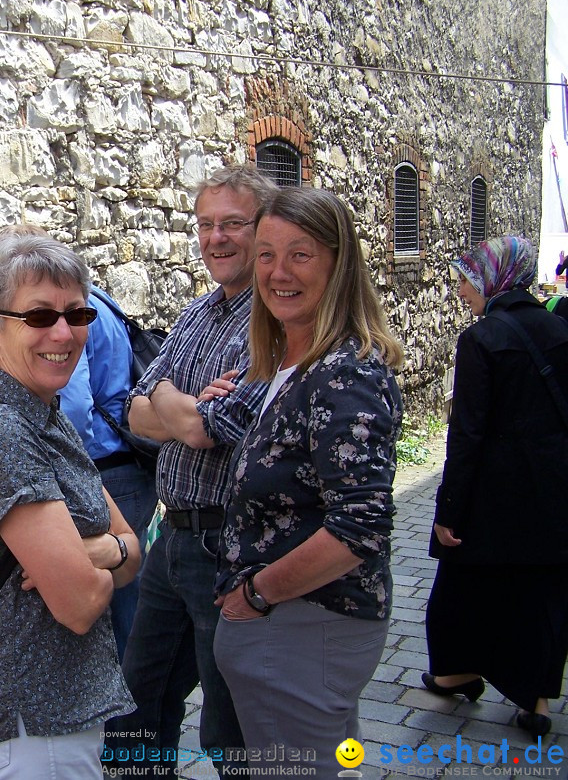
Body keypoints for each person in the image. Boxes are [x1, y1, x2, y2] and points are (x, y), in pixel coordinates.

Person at [212, 187, 404, 777]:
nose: (277, 272)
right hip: (292, 634)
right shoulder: (294, 367)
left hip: (302, 626)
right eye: (266, 255)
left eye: (300, 254)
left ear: (338, 264)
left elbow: (359, 526)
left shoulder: (344, 373)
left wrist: (257, 593)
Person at [0, 225, 138, 779]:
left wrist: (98, 552)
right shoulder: (2, 432)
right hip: (33, 725)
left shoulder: (45, 416)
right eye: (39, 315)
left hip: (57, 713)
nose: (63, 332)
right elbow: (78, 606)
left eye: (77, 314)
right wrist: (107, 559)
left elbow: (132, 549)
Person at [105, 165, 275, 778]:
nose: (216, 238)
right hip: (170, 536)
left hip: (225, 545)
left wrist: (178, 408)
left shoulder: (274, 318)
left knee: (228, 722)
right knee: (138, 701)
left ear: (264, 229)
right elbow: (133, 410)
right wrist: (190, 406)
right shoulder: (197, 312)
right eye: (206, 224)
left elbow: (206, 428)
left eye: (232, 223)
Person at [423, 236, 568, 741]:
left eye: (466, 279)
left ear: (494, 278)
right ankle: (536, 698)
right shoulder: (558, 327)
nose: (461, 290)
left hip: (491, 497)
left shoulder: (483, 339)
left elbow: (467, 434)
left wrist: (447, 509)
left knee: (460, 586)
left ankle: (456, 672)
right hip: (552, 492)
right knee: (541, 593)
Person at [58, 283, 159, 662]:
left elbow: (74, 406)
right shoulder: (99, 297)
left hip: (103, 468)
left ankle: (123, 716)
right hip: (130, 463)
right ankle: (136, 713)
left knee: (111, 612)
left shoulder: (75, 307)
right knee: (127, 598)